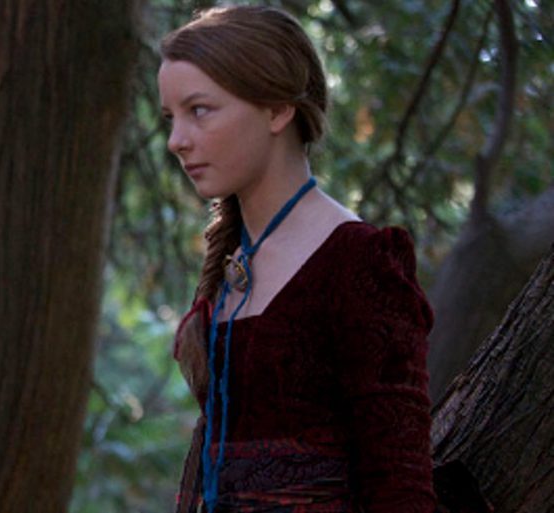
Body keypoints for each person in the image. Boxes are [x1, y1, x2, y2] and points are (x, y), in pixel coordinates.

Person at [160, 6, 435, 512]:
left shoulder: (360, 262)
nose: (177, 140)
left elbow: (399, 484)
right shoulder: (233, 257)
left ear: (277, 109)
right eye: (171, 117)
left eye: (199, 110)